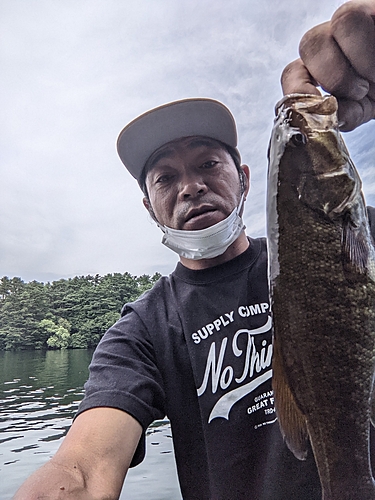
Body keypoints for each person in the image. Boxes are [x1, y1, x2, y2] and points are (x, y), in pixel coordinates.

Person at [13, 2, 375, 499]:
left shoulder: (359, 239)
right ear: (149, 206)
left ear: (246, 180)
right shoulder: (143, 330)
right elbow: (82, 466)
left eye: (208, 163)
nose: (191, 187)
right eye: (166, 177)